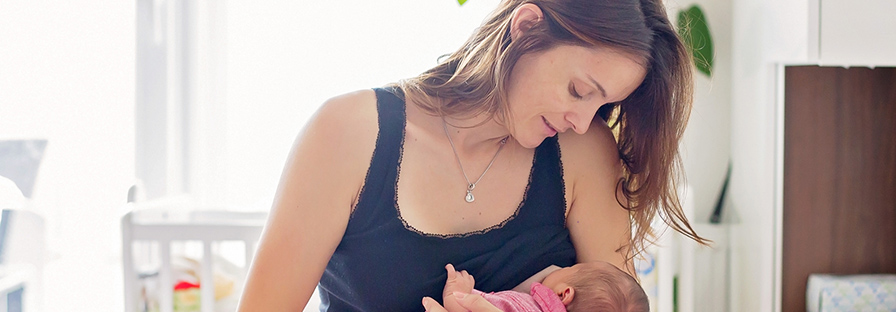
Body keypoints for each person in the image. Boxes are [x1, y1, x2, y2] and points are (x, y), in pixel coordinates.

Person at [237, 0, 706, 311]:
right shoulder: (348, 134)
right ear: (525, 28)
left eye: (602, 106)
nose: (584, 121)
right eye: (579, 90)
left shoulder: (585, 152)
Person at [440, 262, 648, 312]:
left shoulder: (522, 305)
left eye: (572, 266)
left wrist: (456, 289)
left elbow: (461, 305)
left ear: (564, 293)